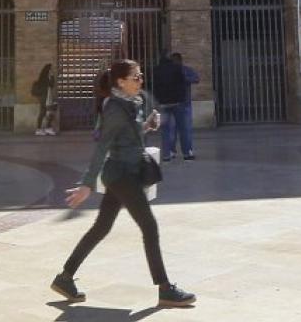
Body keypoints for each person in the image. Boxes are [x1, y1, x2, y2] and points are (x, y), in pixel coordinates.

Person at [53, 59, 195, 310]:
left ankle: (64, 278)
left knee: (101, 228)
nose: (141, 81)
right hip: (121, 175)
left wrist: (147, 126)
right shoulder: (115, 109)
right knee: (149, 227)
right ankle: (165, 289)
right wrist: (86, 184)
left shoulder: (129, 104)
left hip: (124, 173)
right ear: (121, 82)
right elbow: (103, 147)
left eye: (141, 76)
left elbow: (128, 134)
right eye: (136, 77)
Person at [150, 53, 199, 162]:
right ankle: (187, 153)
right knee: (184, 129)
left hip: (164, 103)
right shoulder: (182, 69)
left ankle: (167, 154)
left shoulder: (158, 70)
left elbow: (154, 85)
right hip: (181, 102)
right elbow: (195, 79)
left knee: (166, 129)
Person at [30, 64, 59, 136]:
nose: (52, 70)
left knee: (46, 112)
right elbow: (51, 84)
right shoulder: (44, 78)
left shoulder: (46, 77)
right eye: (51, 69)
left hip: (47, 97)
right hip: (45, 98)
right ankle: (43, 128)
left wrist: (51, 77)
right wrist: (52, 76)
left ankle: (43, 128)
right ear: (48, 70)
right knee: (48, 112)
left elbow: (51, 85)